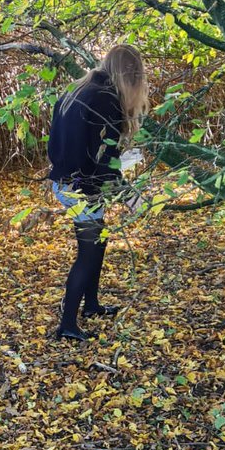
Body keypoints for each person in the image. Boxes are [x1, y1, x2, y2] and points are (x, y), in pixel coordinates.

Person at [48, 43, 149, 341]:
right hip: (81, 187)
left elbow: (76, 148)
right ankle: (67, 324)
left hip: (67, 181)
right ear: (132, 74)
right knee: (88, 251)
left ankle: (90, 305)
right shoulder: (106, 99)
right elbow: (103, 160)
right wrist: (131, 196)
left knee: (98, 241)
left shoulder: (78, 89)